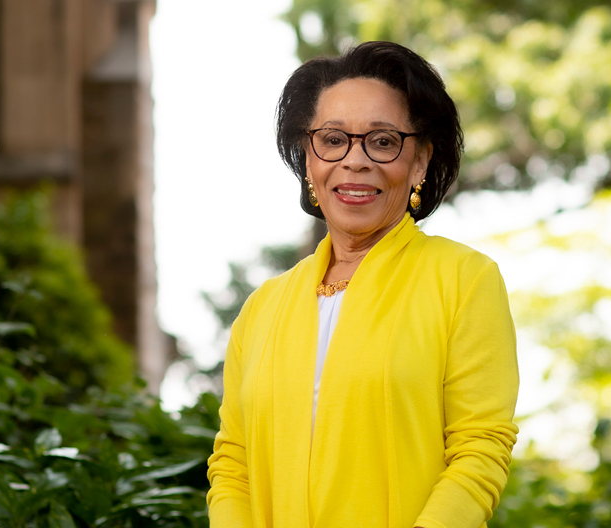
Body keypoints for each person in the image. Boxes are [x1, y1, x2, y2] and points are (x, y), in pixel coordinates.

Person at [206, 41, 519, 528]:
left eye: (383, 140)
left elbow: (480, 450)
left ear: (419, 161)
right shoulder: (262, 308)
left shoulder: (464, 280)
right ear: (308, 160)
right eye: (333, 140)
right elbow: (233, 466)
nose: (354, 161)